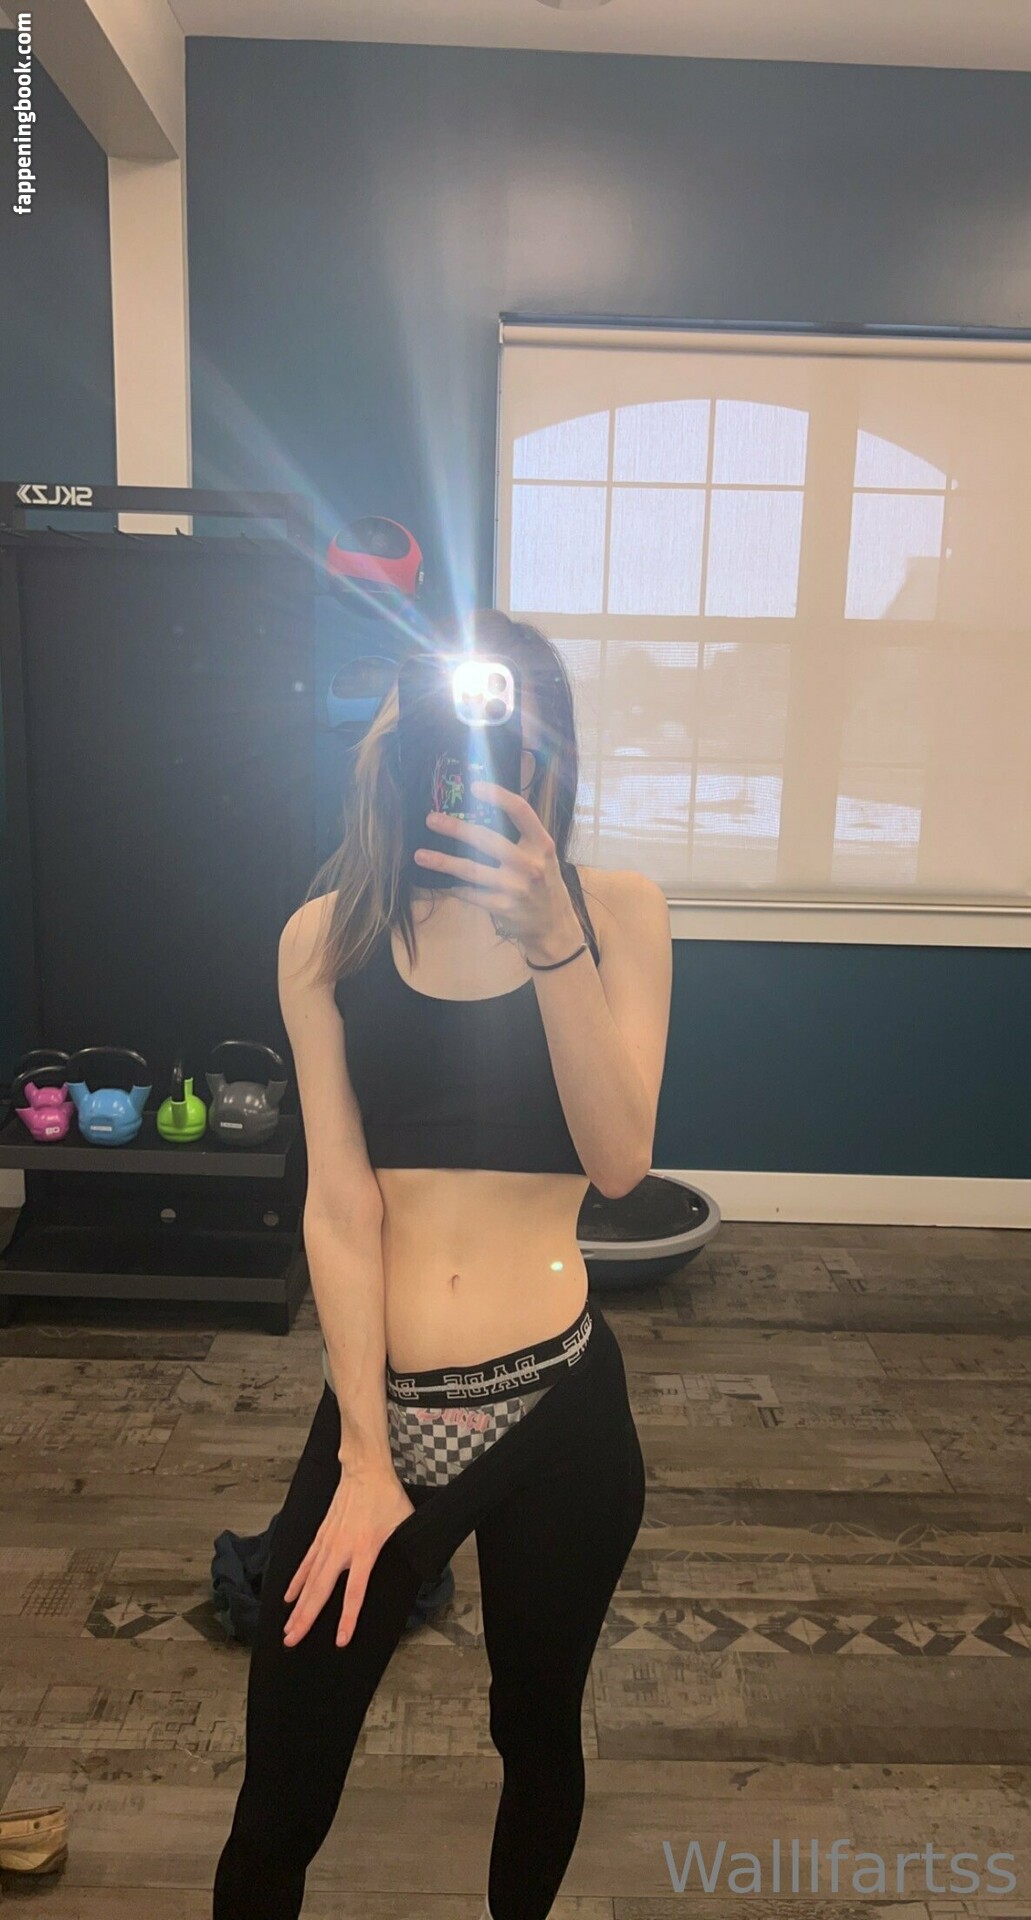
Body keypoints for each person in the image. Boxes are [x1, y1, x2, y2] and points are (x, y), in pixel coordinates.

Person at [212, 609, 673, 1920]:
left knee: (537, 1730)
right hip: (384, 1417)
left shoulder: (617, 915)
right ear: (401, 745)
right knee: (280, 1790)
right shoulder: (325, 938)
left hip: (563, 1414)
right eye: (441, 726)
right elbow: (340, 1207)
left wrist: (550, 939)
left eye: (504, 730)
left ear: (548, 754)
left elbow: (619, 1160)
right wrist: (366, 1459)